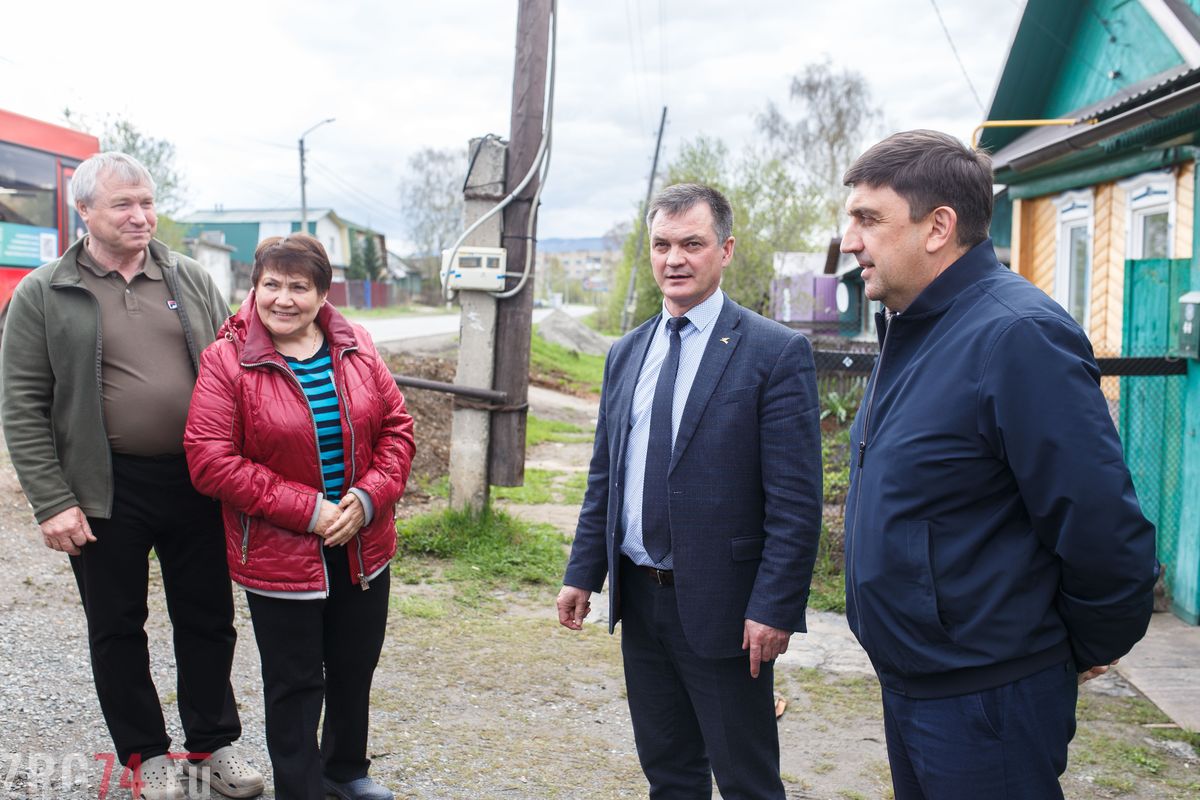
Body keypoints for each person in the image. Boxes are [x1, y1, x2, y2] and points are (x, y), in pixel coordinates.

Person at [839, 130, 1158, 800]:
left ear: (938, 227)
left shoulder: (1016, 335)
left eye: (868, 219)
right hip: (919, 686)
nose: (849, 240)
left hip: (988, 700)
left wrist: (1076, 646)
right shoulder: (913, 329)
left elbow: (1101, 527)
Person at [0, 152, 263, 800]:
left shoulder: (188, 275)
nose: (141, 215)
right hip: (103, 485)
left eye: (146, 202)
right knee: (117, 625)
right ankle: (145, 756)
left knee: (208, 618)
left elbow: (234, 365)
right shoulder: (44, 292)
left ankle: (211, 745)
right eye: (123, 205)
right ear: (83, 210)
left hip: (196, 478)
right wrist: (51, 500)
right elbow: (22, 405)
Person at [556, 183, 823, 799]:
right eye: (661, 245)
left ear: (725, 250)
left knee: (746, 779)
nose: (674, 259)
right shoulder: (627, 352)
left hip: (727, 609)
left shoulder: (774, 353)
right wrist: (582, 572)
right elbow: (607, 475)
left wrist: (775, 606)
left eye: (692, 244)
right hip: (641, 600)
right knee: (669, 771)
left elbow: (795, 501)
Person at [184, 233, 414, 800]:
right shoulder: (227, 360)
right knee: (294, 682)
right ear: (253, 287)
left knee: (353, 668)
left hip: (362, 542)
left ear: (321, 294)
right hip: (280, 551)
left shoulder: (356, 344)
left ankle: (345, 771)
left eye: (298, 287)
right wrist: (310, 511)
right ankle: (301, 786)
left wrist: (365, 500)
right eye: (271, 285)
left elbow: (397, 431)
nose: (283, 299)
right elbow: (210, 460)